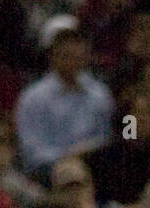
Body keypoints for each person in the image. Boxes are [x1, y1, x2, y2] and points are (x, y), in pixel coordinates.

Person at [14, 16, 113, 178]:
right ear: (52, 56)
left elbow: (106, 135)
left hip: (93, 165)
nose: (73, 61)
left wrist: (88, 150)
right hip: (49, 170)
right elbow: (31, 151)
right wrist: (66, 157)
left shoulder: (99, 93)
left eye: (78, 55)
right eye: (66, 55)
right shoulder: (33, 98)